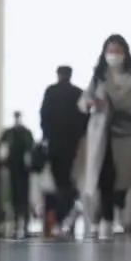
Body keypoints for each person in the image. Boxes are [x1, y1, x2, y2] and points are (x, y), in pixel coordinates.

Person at [78, 35, 131, 241]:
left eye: (117, 50)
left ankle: (109, 213)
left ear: (125, 53)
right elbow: (83, 100)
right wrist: (91, 103)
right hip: (102, 133)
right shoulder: (99, 75)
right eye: (110, 50)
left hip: (126, 133)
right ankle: (105, 222)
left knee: (124, 177)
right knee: (105, 177)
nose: (114, 55)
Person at [40, 65, 87, 232]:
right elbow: (84, 118)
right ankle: (67, 210)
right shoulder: (77, 93)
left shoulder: (51, 91)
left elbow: (44, 115)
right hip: (71, 143)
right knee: (67, 178)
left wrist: (46, 136)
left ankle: (61, 214)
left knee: (59, 179)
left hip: (54, 143)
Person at [0, 112, 36, 238]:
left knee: (22, 193)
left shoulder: (23, 133)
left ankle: (22, 219)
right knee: (15, 193)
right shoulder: (11, 132)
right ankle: (18, 218)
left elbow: (31, 148)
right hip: (14, 166)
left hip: (22, 167)